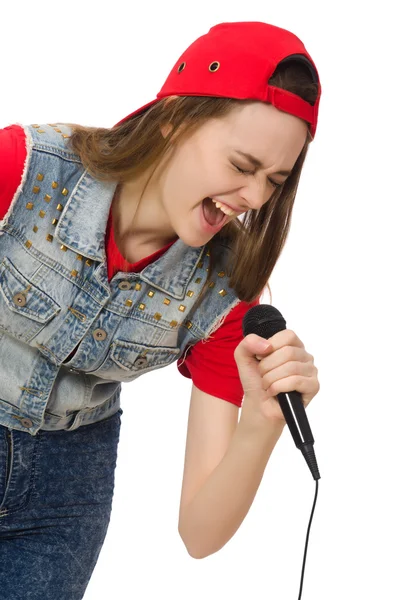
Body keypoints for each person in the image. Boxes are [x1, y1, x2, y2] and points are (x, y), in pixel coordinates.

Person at [0, 20, 321, 599]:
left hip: (63, 497)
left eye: (274, 181)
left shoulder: (226, 298)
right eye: (242, 166)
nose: (251, 198)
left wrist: (261, 423)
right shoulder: (24, 172)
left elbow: (199, 534)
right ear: (173, 121)